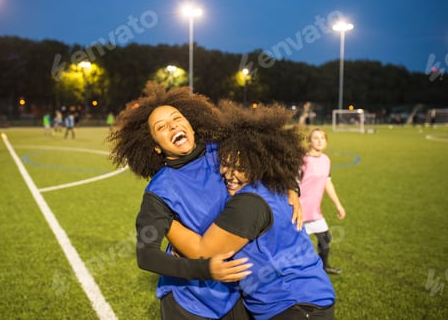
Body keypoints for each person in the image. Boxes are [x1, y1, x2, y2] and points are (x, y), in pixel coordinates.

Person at [108, 85, 303, 319]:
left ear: (190, 124)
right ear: (156, 147)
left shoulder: (223, 151)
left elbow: (267, 157)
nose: (172, 126)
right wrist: (204, 269)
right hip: (190, 303)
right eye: (161, 127)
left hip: (236, 293)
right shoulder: (159, 191)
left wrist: (291, 186)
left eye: (177, 118)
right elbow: (146, 255)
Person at [166, 101, 336, 320]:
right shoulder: (273, 184)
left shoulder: (250, 203)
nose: (228, 173)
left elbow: (203, 252)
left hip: (295, 305)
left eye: (239, 167)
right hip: (303, 301)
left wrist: (165, 219)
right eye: (225, 163)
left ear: (257, 163)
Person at [299, 128, 346, 275]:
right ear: (309, 141)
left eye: (322, 138)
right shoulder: (303, 160)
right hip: (299, 210)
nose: (319, 141)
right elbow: (292, 185)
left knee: (325, 240)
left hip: (314, 211)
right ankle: (298, 273)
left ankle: (323, 268)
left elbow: (327, 183)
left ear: (326, 142)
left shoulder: (326, 160)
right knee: (299, 246)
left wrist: (338, 205)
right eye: (315, 138)